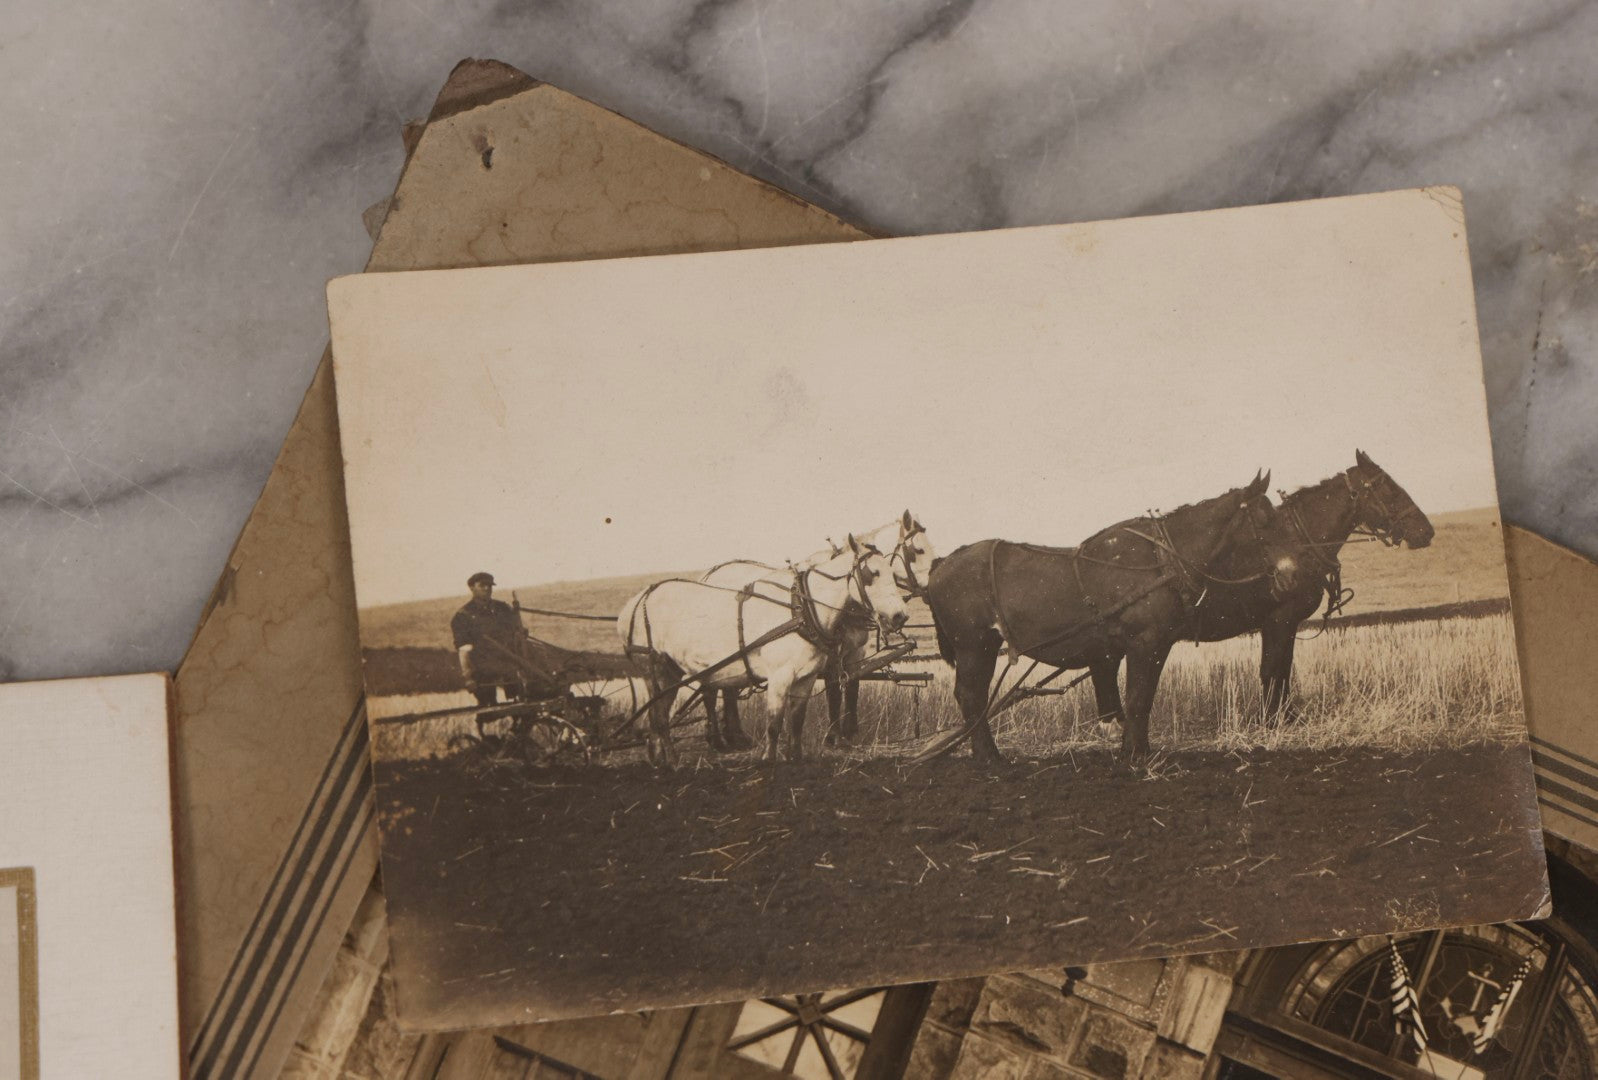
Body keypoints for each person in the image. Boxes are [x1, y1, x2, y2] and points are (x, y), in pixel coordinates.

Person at [450, 572, 526, 721]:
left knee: (523, 704)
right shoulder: (463, 616)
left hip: (509, 661)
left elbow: (517, 635)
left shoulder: (503, 608)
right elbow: (464, 650)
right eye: (482, 585)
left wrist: (520, 632)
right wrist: (468, 678)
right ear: (472, 588)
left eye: (490, 586)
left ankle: (520, 725)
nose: (487, 588)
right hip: (481, 666)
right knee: (488, 710)